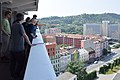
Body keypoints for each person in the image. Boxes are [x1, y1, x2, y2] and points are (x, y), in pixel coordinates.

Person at [9, 13, 33, 80]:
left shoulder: (13, 25)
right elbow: (25, 36)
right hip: (19, 48)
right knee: (20, 63)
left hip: (12, 47)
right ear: (22, 18)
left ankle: (12, 75)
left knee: (12, 63)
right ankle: (16, 76)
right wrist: (30, 44)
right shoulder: (20, 26)